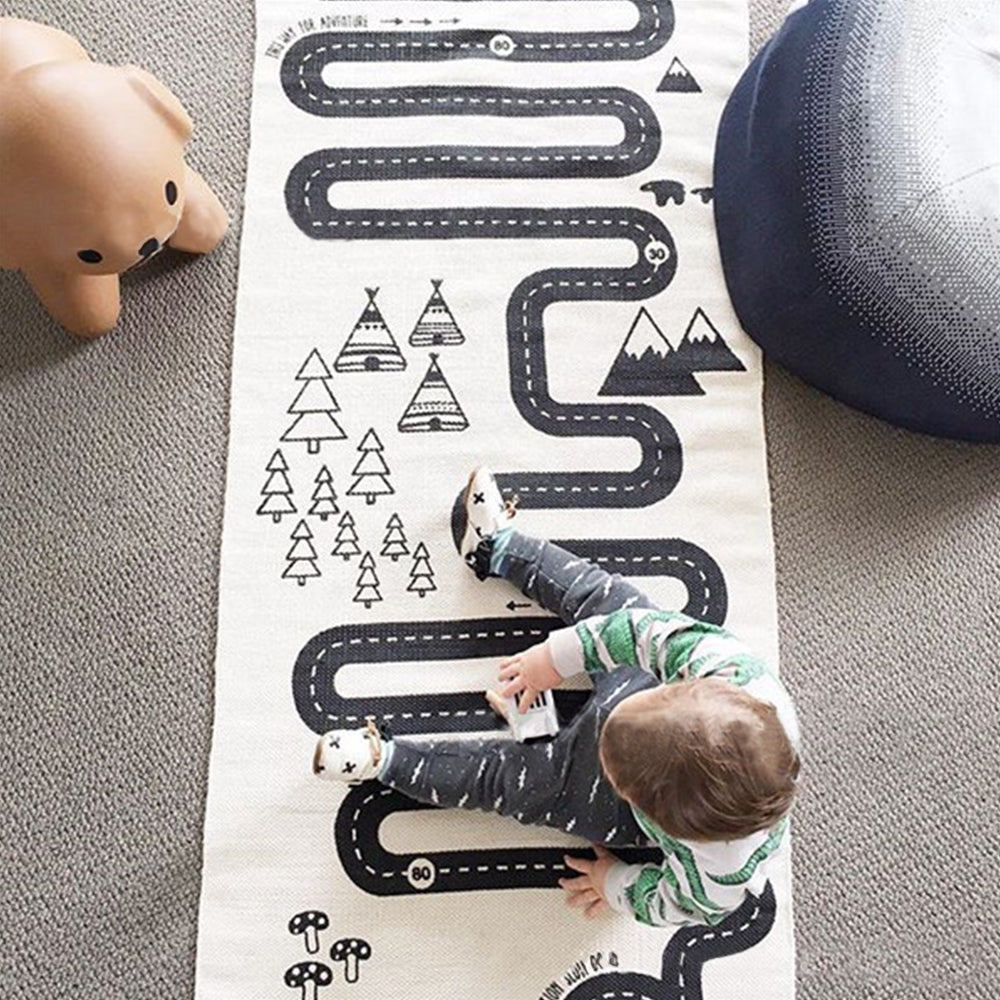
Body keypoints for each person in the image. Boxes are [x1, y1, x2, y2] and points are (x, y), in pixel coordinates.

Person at [313, 467, 801, 927]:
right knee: (607, 598)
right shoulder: (734, 673)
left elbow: (672, 904)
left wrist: (615, 884)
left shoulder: (721, 875)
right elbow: (638, 630)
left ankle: (385, 759)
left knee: (512, 783)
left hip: (609, 799)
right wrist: (555, 658)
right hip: (642, 683)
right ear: (693, 684)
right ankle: (497, 548)